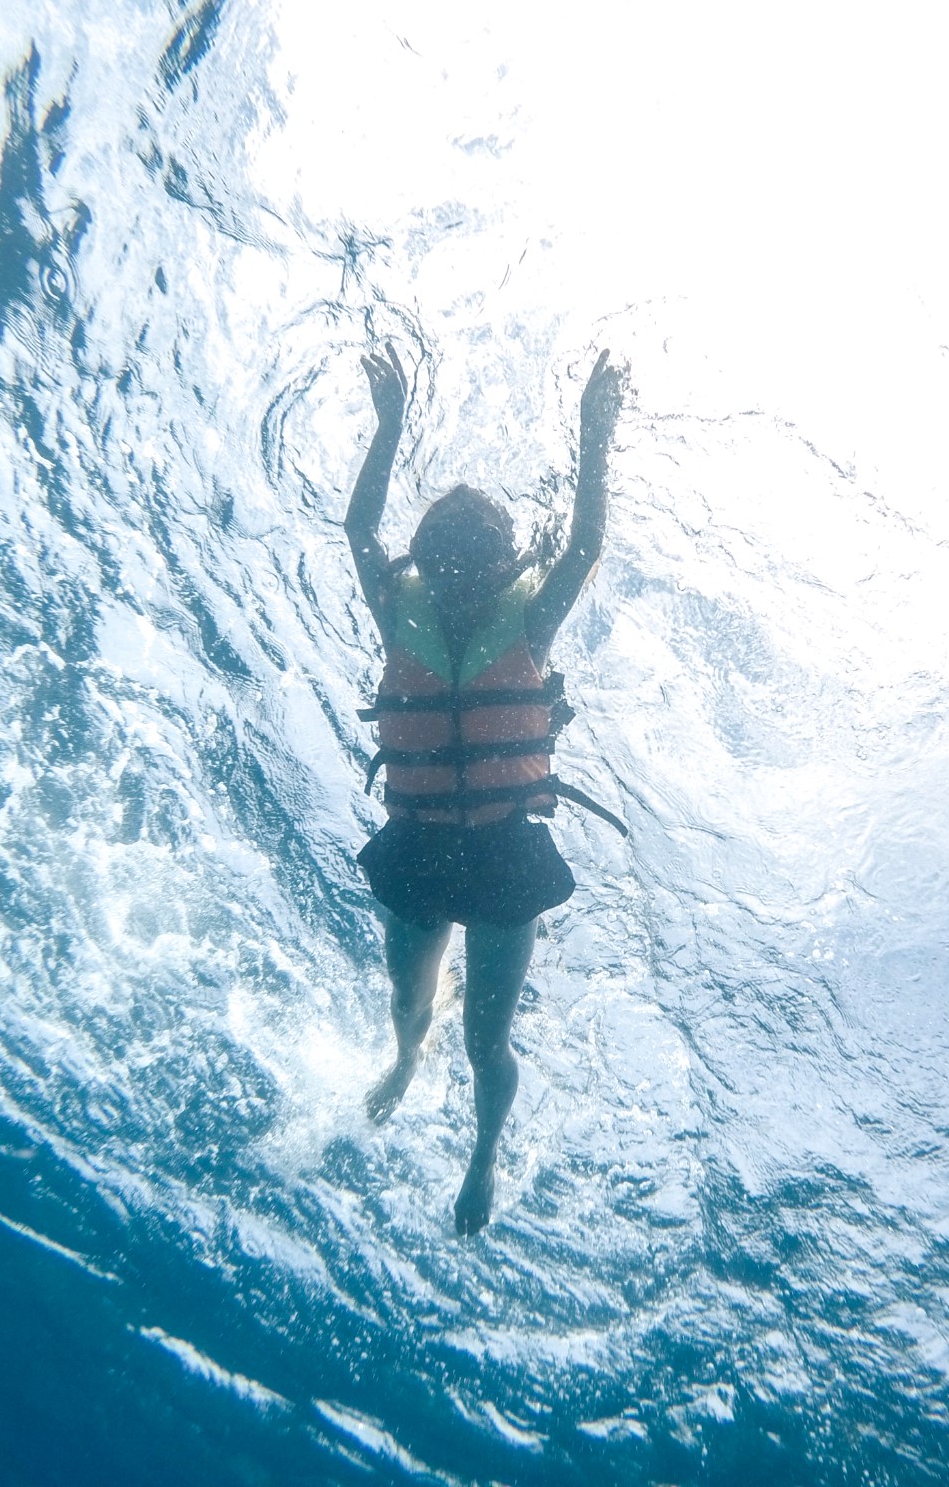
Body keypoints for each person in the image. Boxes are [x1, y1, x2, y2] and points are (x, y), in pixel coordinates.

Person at [346, 344, 626, 1234]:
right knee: (409, 1003)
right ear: (429, 557)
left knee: (486, 1044)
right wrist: (386, 428)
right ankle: (401, 1059)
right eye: (448, 561)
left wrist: (595, 429)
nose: (461, 578)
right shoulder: (403, 610)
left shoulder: (527, 620)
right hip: (423, 847)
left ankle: (481, 1158)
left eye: (477, 563)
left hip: (504, 855)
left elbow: (583, 545)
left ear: (501, 563)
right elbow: (358, 534)